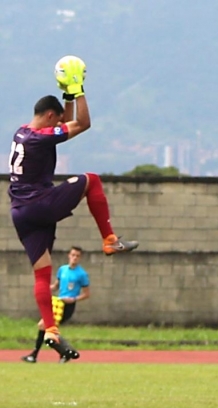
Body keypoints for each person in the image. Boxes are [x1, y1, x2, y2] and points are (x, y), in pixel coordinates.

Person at [8, 56, 138, 361]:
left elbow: (64, 122)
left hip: (20, 213)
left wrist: (65, 95)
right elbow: (82, 123)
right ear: (49, 115)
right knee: (91, 180)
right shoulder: (40, 139)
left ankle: (51, 330)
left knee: (42, 274)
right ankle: (109, 240)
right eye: (57, 119)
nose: (60, 126)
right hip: (39, 204)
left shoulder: (22, 132)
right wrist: (78, 90)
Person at [21, 246, 90, 364]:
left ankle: (60, 352)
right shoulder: (62, 269)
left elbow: (86, 294)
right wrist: (44, 289)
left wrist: (73, 299)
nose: (74, 258)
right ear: (69, 255)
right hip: (57, 302)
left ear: (80, 258)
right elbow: (56, 286)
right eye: (73, 255)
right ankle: (61, 353)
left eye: (77, 256)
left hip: (67, 306)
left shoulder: (82, 274)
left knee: (45, 326)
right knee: (46, 326)